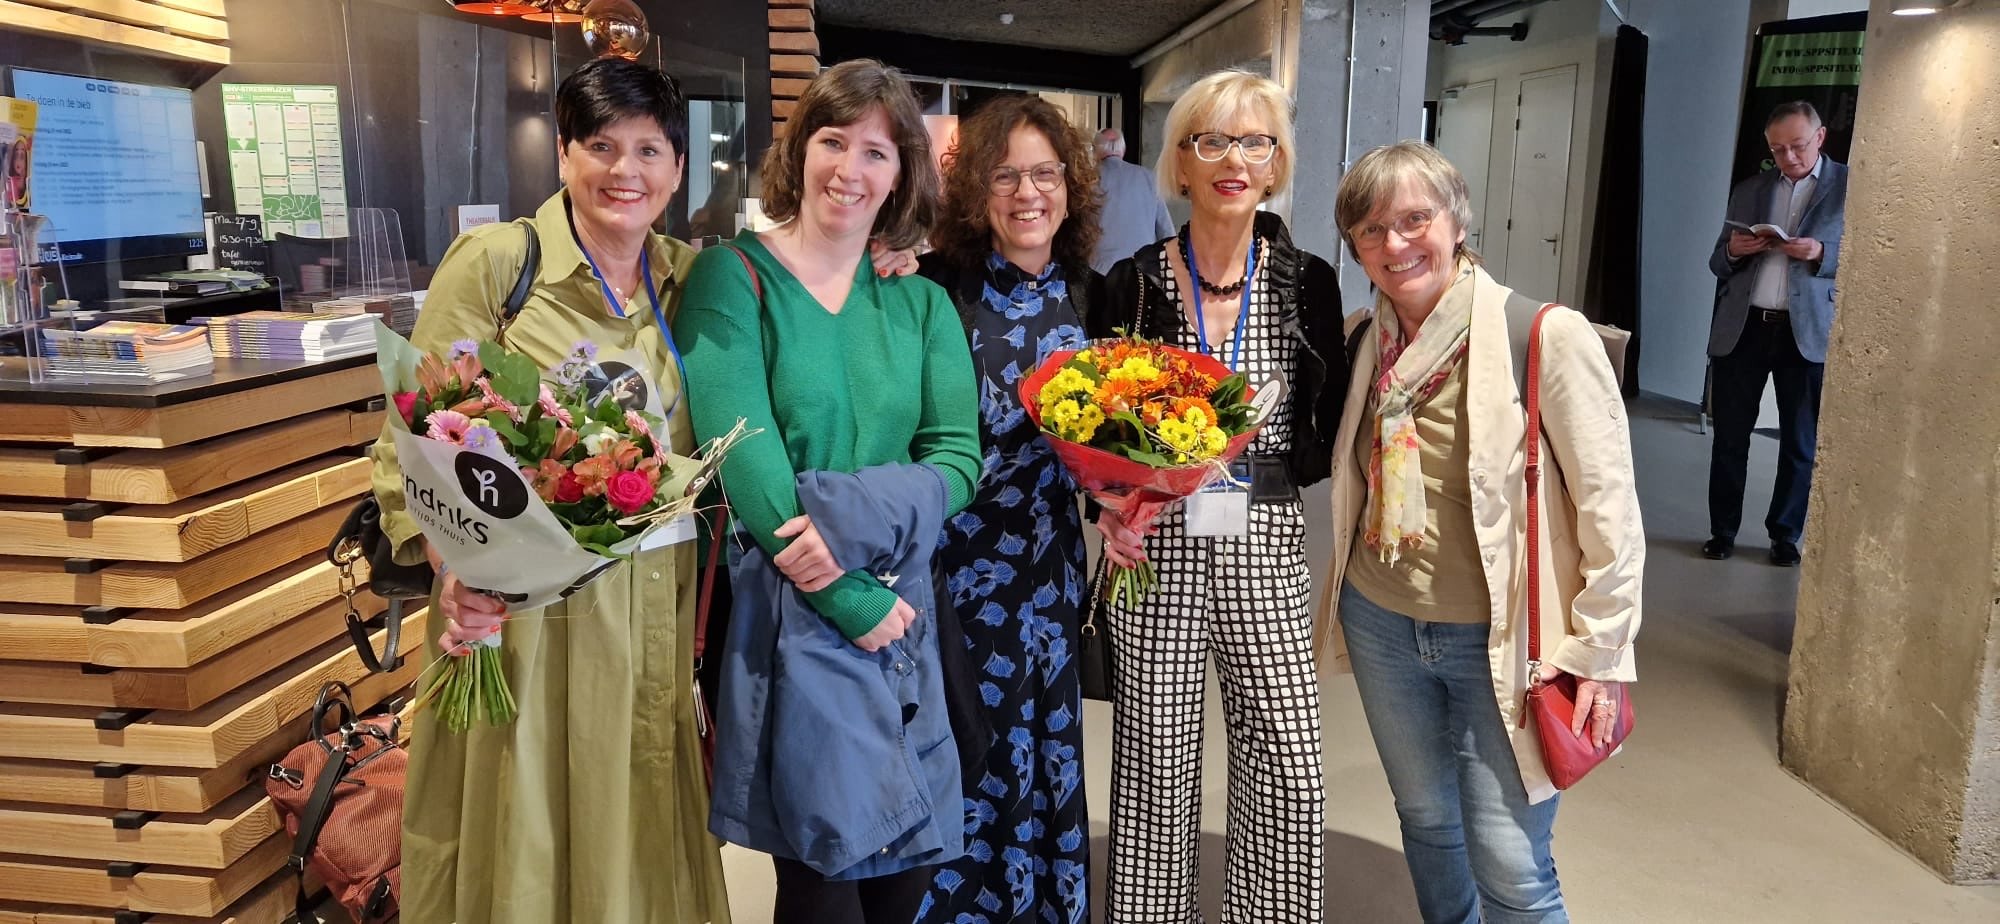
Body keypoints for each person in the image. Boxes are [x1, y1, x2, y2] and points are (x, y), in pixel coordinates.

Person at [371, 57, 730, 924]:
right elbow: (413, 437)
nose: (625, 172)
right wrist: (450, 569)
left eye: (649, 150)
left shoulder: (691, 280)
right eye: (601, 146)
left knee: (639, 802)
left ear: (678, 170)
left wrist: (893, 253)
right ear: (563, 153)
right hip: (520, 617)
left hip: (651, 609)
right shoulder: (502, 265)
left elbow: (801, 281)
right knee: (519, 815)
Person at [672, 59, 982, 924]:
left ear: (903, 175)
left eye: (877, 152)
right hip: (792, 608)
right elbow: (744, 451)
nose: (851, 169)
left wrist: (854, 530)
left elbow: (959, 457)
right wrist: (840, 588)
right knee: (824, 873)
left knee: (908, 872)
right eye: (834, 140)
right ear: (799, 149)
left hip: (908, 606)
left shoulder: (920, 304)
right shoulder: (731, 279)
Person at [1323, 141, 1644, 923]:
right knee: (1427, 824)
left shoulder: (1543, 334)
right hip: (1382, 621)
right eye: (1372, 230)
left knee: (1512, 862)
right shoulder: (1366, 336)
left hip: (1503, 641)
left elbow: (1610, 505)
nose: (1395, 245)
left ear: (1456, 221)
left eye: (1414, 220)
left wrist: (1600, 652)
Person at [1092, 69, 1346, 922]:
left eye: (1254, 141)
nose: (1233, 159)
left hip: (1267, 539)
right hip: (1157, 546)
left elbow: (1331, 411)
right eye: (1211, 141)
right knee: (1155, 763)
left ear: (1276, 164)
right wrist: (1113, 503)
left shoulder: (1307, 281)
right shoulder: (1130, 282)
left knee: (1289, 764)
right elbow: (1094, 418)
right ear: (1182, 164)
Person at [913, 94, 1104, 924]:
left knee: (1047, 747)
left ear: (1070, 186)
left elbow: (1124, 436)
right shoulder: (931, 291)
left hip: (1052, 572)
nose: (1029, 194)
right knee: (969, 749)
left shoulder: (1096, 298)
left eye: (1045, 174)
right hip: (958, 575)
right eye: (1006, 176)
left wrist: (1123, 504)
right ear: (975, 192)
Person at [1704, 100, 1847, 567]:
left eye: (1797, 147)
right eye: (1777, 149)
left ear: (1820, 138)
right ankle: (1722, 530)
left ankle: (1785, 535)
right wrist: (1734, 248)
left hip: (1804, 332)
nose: (1788, 158)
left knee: (1800, 442)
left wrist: (1822, 253)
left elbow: (1871, 259)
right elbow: (1717, 265)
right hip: (1744, 328)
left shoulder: (1851, 187)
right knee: (1729, 436)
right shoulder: (1750, 189)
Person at [1091, 128, 1174, 273]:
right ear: (1123, 149)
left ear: (1096, 151)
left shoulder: (1087, 181)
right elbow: (1167, 233)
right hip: (1142, 274)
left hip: (1097, 273)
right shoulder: (1149, 178)